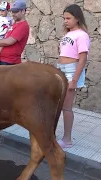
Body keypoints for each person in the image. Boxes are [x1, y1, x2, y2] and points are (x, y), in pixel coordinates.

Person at [57, 4, 90, 149]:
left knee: (67, 107)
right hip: (62, 69)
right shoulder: (68, 34)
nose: (65, 21)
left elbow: (83, 58)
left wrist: (74, 80)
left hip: (71, 70)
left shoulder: (82, 35)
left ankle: (67, 139)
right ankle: (60, 135)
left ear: (77, 18)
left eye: (68, 18)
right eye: (64, 18)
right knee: (59, 105)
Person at [0, 0, 29, 65]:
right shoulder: (14, 23)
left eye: (16, 12)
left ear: (23, 11)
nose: (13, 14)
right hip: (3, 61)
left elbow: (9, 41)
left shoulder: (23, 25)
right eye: (12, 12)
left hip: (10, 62)